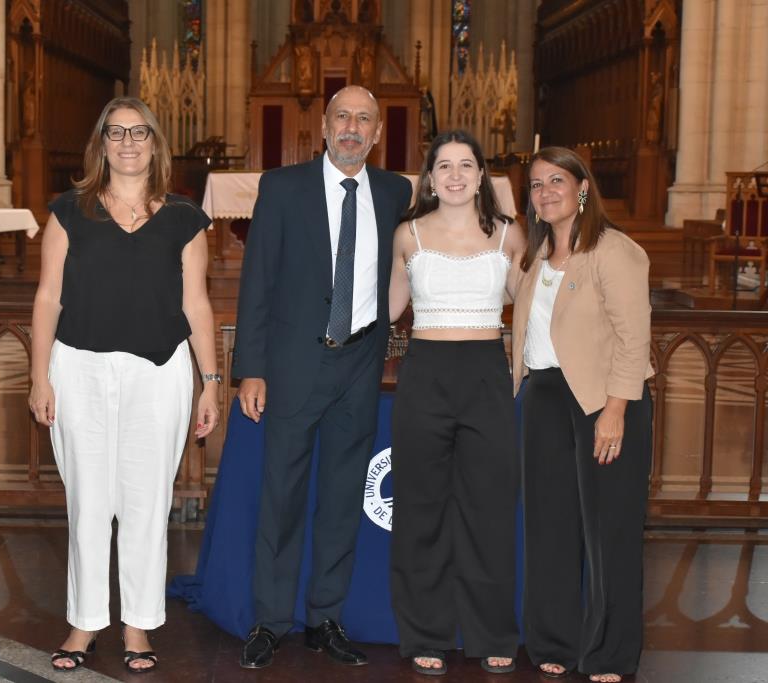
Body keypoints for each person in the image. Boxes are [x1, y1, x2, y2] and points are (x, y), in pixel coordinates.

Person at [28, 96, 219, 675]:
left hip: (159, 373)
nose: (129, 143)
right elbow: (47, 297)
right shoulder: (68, 211)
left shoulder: (185, 218)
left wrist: (211, 382)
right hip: (79, 368)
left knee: (146, 502)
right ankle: (85, 622)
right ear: (101, 144)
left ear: (155, 144)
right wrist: (39, 375)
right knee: (90, 500)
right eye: (117, 133)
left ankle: (137, 624)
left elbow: (196, 303)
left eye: (139, 133)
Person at [233, 85, 412, 669]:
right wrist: (251, 369)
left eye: (364, 119)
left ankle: (325, 618)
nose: (353, 128)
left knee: (340, 498)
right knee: (282, 496)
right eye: (343, 117)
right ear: (324, 125)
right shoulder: (282, 188)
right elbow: (257, 281)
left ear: (378, 132)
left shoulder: (394, 192)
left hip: (359, 365)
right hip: (291, 365)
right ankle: (269, 621)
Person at [387, 129, 525, 676]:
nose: (455, 176)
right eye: (444, 167)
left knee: (488, 508)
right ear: (429, 179)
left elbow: (538, 304)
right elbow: (384, 309)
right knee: (421, 509)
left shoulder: (510, 236)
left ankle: (493, 631)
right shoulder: (408, 235)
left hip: (487, 375)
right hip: (425, 375)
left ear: (481, 175)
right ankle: (426, 631)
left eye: (465, 165)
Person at [512, 147, 653, 683]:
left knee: (609, 532)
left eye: (556, 181)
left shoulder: (614, 250)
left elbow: (634, 338)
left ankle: (611, 653)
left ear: (582, 188)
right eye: (536, 184)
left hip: (604, 400)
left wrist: (614, 411)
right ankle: (554, 640)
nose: (545, 192)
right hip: (545, 396)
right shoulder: (538, 252)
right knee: (550, 527)